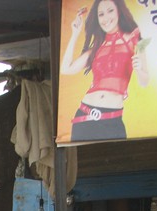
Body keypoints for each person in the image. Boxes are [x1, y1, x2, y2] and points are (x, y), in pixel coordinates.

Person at [60, 0, 149, 142]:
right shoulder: (97, 47)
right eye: (101, 14)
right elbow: (66, 68)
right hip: (84, 117)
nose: (106, 18)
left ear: (119, 11)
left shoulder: (135, 40)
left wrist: (139, 69)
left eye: (110, 11)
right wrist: (75, 34)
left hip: (112, 120)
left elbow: (144, 82)